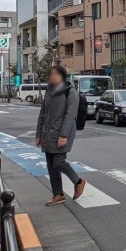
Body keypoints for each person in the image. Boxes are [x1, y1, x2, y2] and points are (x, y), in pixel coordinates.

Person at [36, 65, 87, 206]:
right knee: (51, 164)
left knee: (58, 161)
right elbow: (42, 114)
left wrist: (63, 135)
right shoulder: (49, 91)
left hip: (62, 133)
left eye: (56, 74)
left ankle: (78, 181)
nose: (52, 77)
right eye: (51, 74)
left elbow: (70, 116)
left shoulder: (70, 92)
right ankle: (58, 194)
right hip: (47, 133)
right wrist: (38, 134)